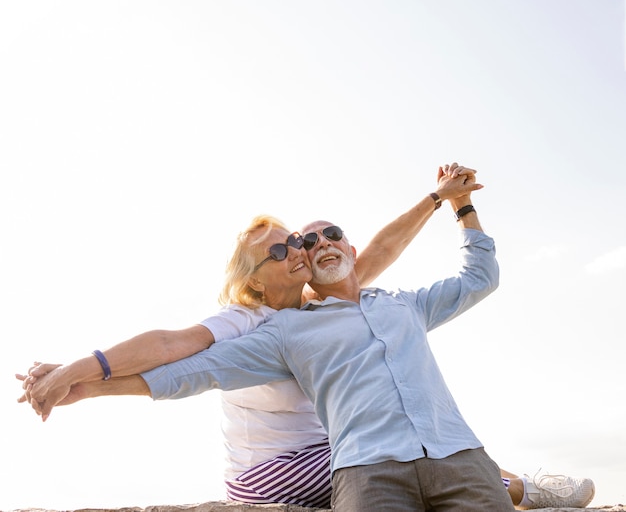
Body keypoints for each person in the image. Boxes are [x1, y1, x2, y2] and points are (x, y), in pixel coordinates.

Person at [18, 164, 595, 510]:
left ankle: (513, 484)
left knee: (411, 437)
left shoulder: (338, 304)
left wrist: (445, 200)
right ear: (254, 279)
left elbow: (380, 252)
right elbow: (178, 359)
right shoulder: (253, 322)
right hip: (276, 467)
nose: (298, 249)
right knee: (383, 442)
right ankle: (522, 485)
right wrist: (81, 379)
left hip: (339, 451)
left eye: (300, 241)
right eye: (280, 249)